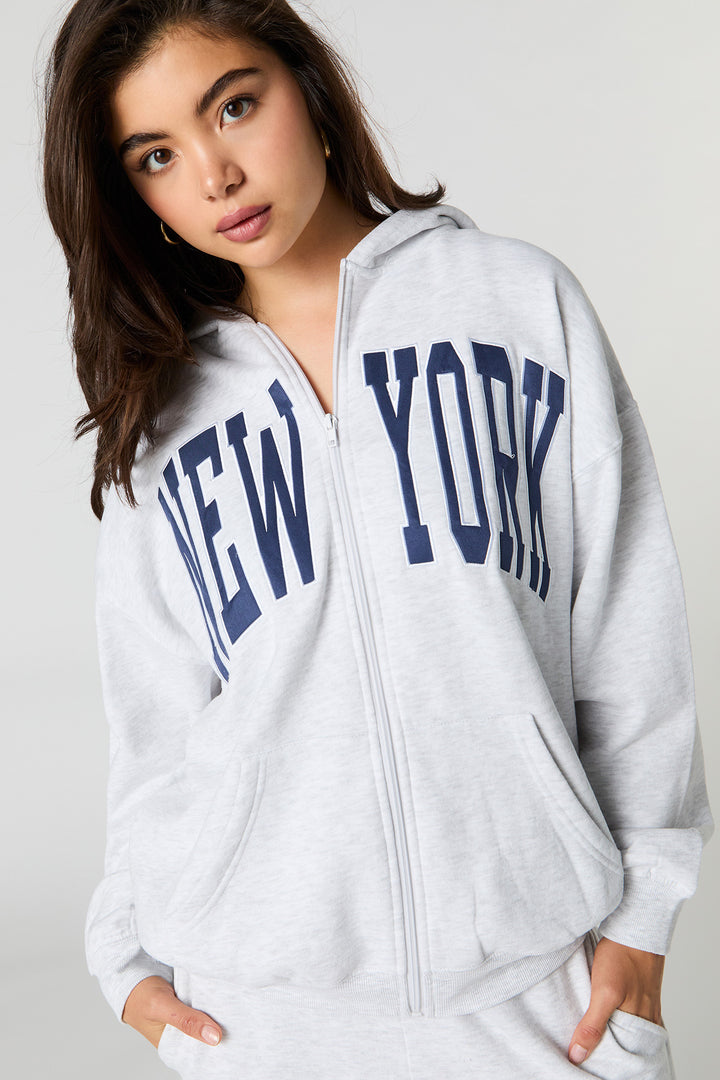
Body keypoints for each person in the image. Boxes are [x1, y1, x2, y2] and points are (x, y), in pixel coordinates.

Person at [42, 1, 713, 1078]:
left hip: (541, 995)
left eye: (235, 107)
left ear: (307, 88)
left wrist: (642, 920)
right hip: (262, 1012)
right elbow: (157, 725)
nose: (215, 175)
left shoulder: (517, 304)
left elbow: (628, 629)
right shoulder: (162, 414)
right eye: (157, 155)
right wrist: (125, 954)